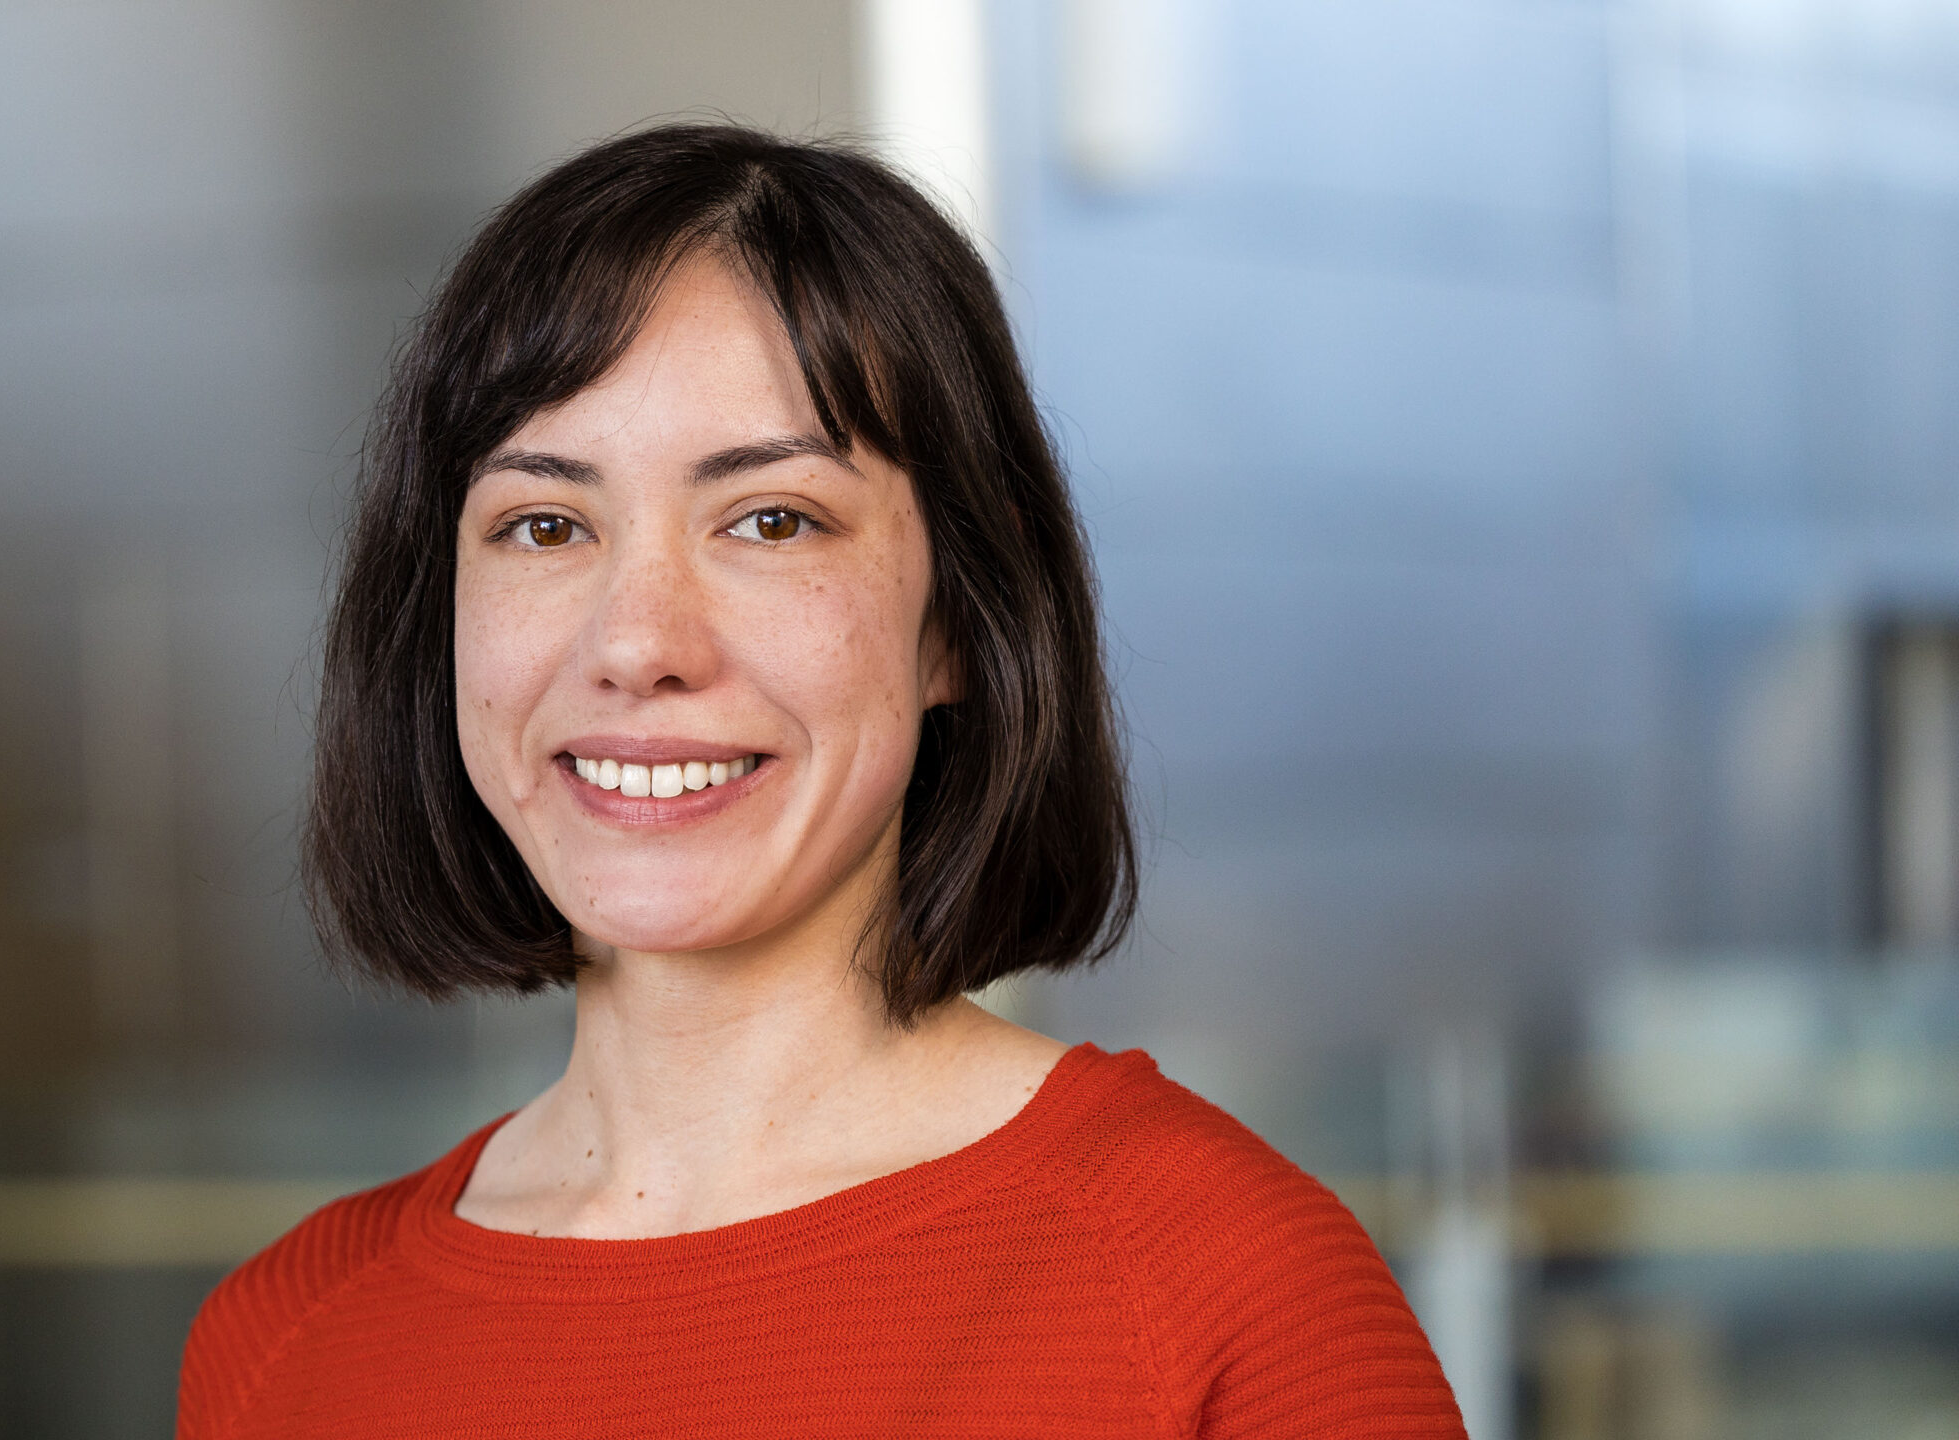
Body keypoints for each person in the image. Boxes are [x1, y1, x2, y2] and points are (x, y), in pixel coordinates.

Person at [178, 124, 1463, 1439]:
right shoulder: (283, 1346)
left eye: (771, 520)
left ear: (958, 619)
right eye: (546, 525)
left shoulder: (1225, 1293)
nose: (639, 643)